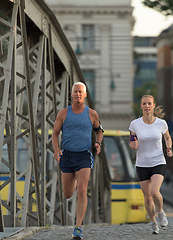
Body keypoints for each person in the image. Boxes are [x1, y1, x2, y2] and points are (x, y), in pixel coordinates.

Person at [52, 82, 103, 239]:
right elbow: (54, 134)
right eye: (75, 92)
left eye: (81, 92)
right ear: (71, 94)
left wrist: (98, 142)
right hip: (67, 156)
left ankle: (78, 227)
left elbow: (99, 131)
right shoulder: (63, 114)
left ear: (85, 95)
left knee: (82, 190)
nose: (78, 94)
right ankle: (73, 179)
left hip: (84, 156)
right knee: (67, 194)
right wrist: (56, 150)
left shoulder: (92, 114)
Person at [129, 94, 173, 234]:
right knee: (147, 196)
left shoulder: (161, 123)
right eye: (144, 104)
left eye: (149, 103)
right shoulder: (135, 124)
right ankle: (153, 222)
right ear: (141, 106)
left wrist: (169, 148)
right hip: (142, 164)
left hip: (158, 161)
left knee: (154, 192)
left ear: (153, 106)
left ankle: (161, 212)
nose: (147, 106)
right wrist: (134, 145)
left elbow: (167, 137)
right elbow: (132, 141)